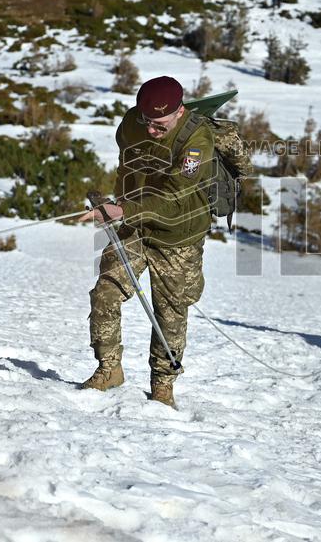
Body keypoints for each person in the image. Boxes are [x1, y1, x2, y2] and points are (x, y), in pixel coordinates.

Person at [78, 76, 214, 407]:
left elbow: (175, 197)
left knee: (170, 313)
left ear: (180, 111)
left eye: (160, 125)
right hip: (135, 227)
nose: (151, 130)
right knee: (106, 293)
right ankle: (109, 369)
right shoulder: (131, 123)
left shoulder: (197, 140)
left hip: (178, 236)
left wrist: (122, 209)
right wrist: (120, 204)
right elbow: (127, 166)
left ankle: (163, 385)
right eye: (147, 121)